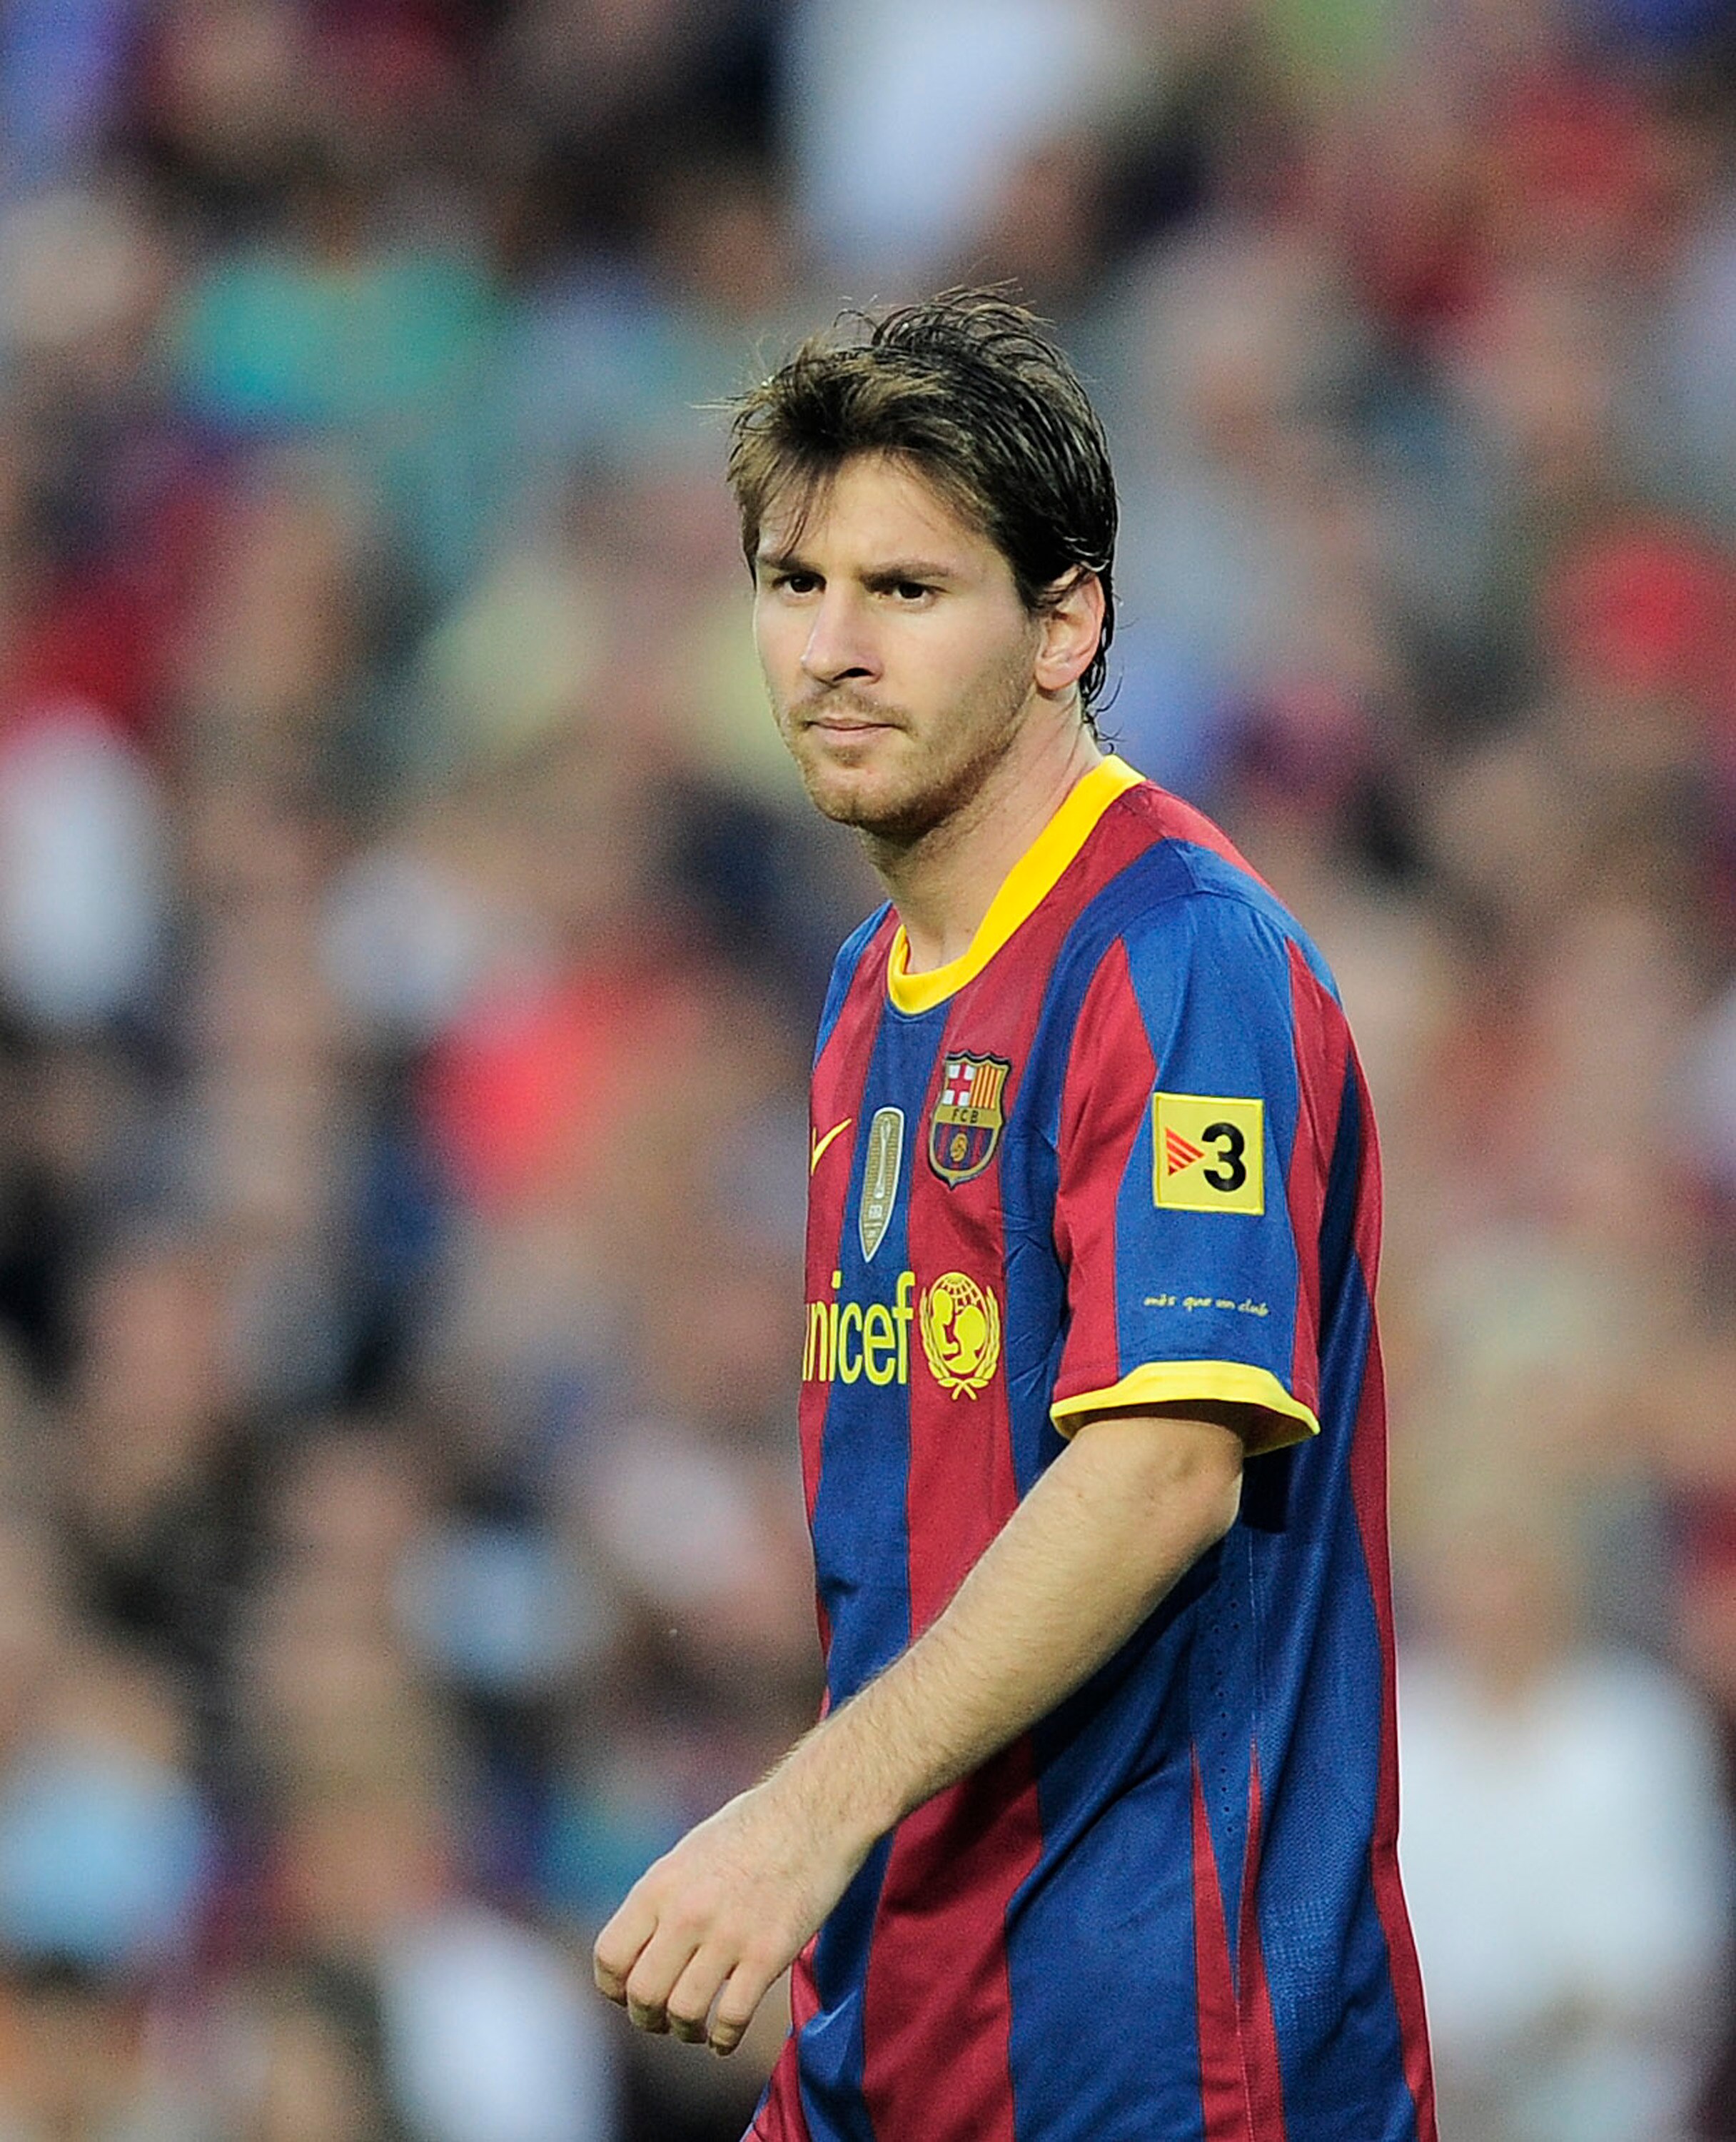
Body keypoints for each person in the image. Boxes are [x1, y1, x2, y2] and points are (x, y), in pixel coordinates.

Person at [592, 292, 1437, 2142]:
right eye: (793, 581)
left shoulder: (1179, 960)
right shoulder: (862, 995)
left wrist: (799, 1817)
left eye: (906, 591)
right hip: (901, 2026)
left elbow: (1163, 1471)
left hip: (1168, 2052)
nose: (830, 647)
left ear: (1069, 622)